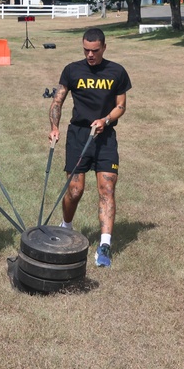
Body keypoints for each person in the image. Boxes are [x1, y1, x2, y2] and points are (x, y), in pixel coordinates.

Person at [49, 28, 132, 267]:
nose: (90, 55)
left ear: (104, 47)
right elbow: (58, 100)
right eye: (86, 49)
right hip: (78, 135)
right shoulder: (72, 70)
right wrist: (54, 127)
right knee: (75, 190)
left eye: (94, 50)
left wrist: (106, 120)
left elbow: (121, 106)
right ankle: (66, 227)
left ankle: (105, 245)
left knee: (107, 189)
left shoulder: (117, 71)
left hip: (105, 137)